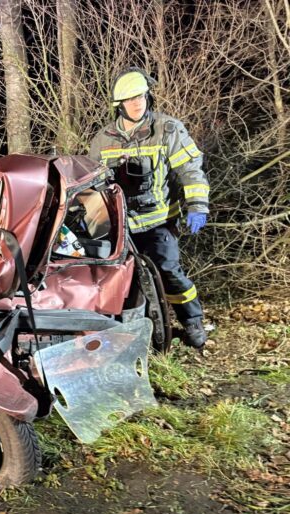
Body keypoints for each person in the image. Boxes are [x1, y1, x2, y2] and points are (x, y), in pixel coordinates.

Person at [89, 67, 210, 348]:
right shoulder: (102, 140)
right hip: (121, 227)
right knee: (122, 279)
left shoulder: (167, 129)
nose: (138, 103)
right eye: (131, 99)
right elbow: (94, 185)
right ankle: (135, 334)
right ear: (119, 104)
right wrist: (92, 221)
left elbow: (191, 170)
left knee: (168, 272)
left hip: (159, 221)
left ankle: (192, 321)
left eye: (141, 96)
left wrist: (197, 205)